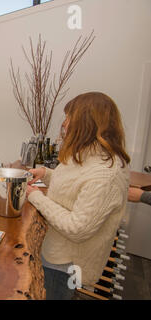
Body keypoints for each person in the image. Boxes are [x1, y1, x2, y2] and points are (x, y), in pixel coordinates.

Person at [26, 92, 130, 300]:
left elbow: (77, 228)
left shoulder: (107, 175)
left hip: (64, 265)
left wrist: (36, 197)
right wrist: (46, 174)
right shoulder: (89, 155)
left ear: (85, 123)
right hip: (54, 253)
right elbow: (77, 186)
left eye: (68, 117)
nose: (64, 124)